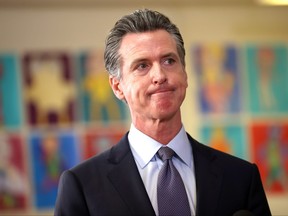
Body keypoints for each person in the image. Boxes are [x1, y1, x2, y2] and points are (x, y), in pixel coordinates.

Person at [54, 9, 271, 216]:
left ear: (185, 74)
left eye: (169, 61)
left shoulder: (241, 177)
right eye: (142, 66)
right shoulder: (82, 185)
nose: (159, 75)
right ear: (118, 86)